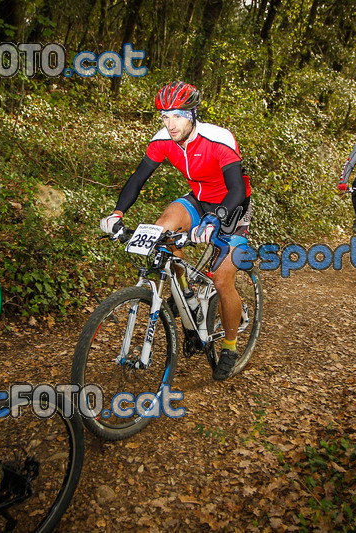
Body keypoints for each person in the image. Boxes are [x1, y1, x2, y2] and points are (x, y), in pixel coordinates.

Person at [99, 81, 252, 381]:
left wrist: (216, 220)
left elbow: (236, 188)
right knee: (160, 233)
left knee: (222, 281)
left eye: (178, 116)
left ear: (193, 114)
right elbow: (137, 179)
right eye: (165, 117)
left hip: (232, 204)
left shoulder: (218, 139)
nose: (171, 124)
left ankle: (231, 347)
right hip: (198, 199)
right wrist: (118, 213)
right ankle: (188, 297)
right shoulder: (163, 141)